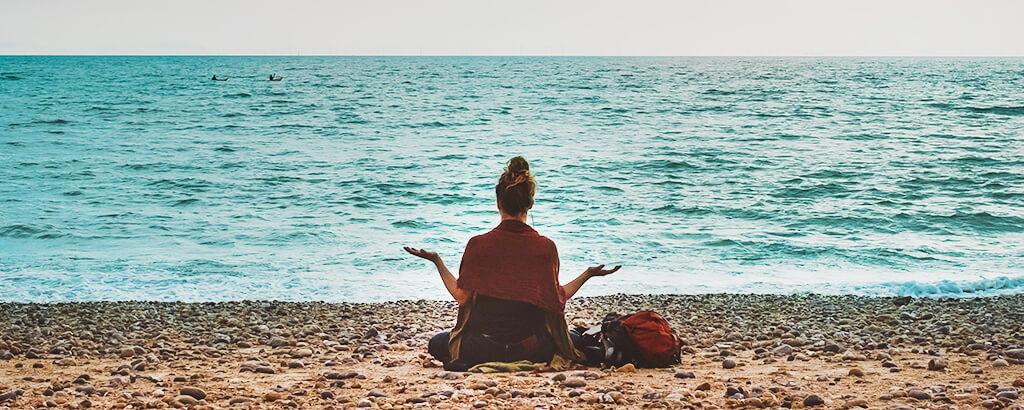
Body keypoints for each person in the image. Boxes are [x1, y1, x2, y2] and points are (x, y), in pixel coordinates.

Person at [404, 156, 620, 371]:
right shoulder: (546, 247)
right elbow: (556, 300)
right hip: (532, 349)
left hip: (480, 348)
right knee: (573, 336)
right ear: (530, 203)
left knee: (437, 343)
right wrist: (587, 275)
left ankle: (475, 360)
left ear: (498, 202)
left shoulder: (478, 245)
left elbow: (462, 298)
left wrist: (437, 261)